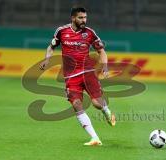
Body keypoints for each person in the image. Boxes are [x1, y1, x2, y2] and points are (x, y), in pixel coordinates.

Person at [39, 7, 115, 146]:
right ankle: (95, 138)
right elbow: (51, 47)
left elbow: (101, 51)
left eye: (85, 17)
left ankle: (106, 110)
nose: (84, 20)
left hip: (87, 72)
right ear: (73, 18)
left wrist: (105, 66)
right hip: (70, 76)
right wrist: (47, 59)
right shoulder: (61, 31)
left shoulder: (89, 33)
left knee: (97, 104)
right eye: (80, 18)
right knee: (76, 104)